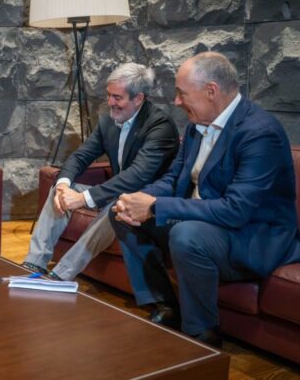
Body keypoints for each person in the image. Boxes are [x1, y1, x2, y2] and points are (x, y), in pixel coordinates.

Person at [111, 52, 300, 347]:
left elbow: (235, 210)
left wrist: (156, 206)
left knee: (187, 235)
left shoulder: (260, 133)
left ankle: (202, 335)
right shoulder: (196, 124)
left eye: (182, 93)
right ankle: (166, 305)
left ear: (211, 91)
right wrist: (141, 198)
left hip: (250, 236)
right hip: (203, 223)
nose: (176, 101)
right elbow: (174, 179)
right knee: (121, 213)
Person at [23, 63, 179, 280]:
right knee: (60, 188)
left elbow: (137, 176)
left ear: (138, 98)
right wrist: (63, 186)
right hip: (114, 192)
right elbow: (81, 156)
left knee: (116, 206)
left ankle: (60, 276)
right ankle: (33, 264)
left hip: (144, 201)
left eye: (117, 97)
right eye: (109, 95)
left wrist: (83, 198)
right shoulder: (109, 121)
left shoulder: (160, 126)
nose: (110, 102)